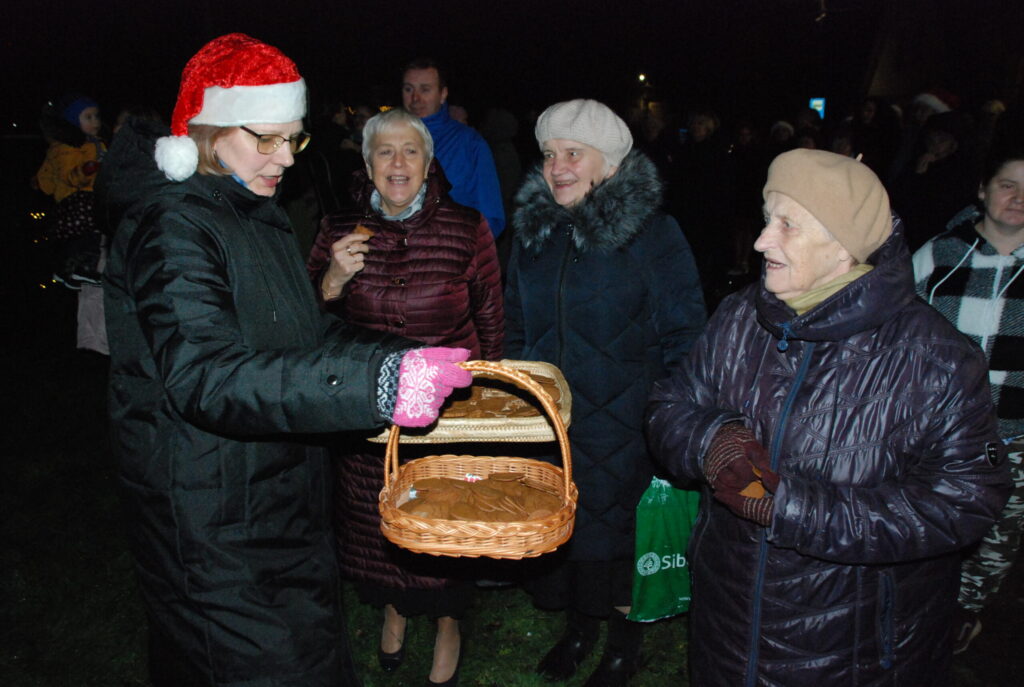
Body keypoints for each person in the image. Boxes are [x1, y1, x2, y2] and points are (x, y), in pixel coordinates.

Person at [97, 33, 471, 687]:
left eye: (292, 140)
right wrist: (376, 385)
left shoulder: (253, 210)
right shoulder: (172, 226)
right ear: (207, 130)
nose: (283, 159)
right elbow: (206, 375)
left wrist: (400, 356)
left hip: (276, 499)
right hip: (211, 520)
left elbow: (299, 344)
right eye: (264, 138)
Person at [645, 148, 1012, 685]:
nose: (761, 240)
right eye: (768, 218)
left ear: (844, 248)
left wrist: (795, 509)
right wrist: (711, 439)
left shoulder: (936, 358)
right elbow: (669, 405)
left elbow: (967, 501)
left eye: (787, 225)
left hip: (854, 645)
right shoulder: (738, 316)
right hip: (727, 617)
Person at [504, 99, 706, 686]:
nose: (557, 166)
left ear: (610, 164)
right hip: (552, 424)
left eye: (574, 153)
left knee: (616, 546)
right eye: (548, 154)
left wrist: (668, 417)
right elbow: (516, 321)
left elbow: (686, 330)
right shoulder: (534, 234)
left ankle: (623, 647)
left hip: (625, 425)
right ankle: (577, 630)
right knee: (564, 535)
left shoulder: (653, 234)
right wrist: (523, 394)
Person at [307, 107, 504, 686]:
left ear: (428, 163)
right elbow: (301, 327)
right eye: (385, 152)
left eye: (410, 151)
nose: (398, 163)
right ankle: (392, 608)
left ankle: (447, 621)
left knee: (440, 521)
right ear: (367, 164)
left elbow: (491, 321)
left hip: (446, 416)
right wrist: (331, 283)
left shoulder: (467, 227)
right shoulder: (336, 228)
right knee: (377, 521)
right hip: (366, 412)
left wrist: (485, 401)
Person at [913, 142, 1024, 655]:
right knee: (926, 523)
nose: (1018, 198)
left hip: (1016, 433)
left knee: (999, 533)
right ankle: (912, 609)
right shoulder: (937, 254)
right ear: (983, 191)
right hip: (937, 432)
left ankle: (964, 613)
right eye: (1008, 184)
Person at [402, 58, 505, 238]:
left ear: (443, 94)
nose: (415, 98)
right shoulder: (388, 140)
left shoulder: (470, 143)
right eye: (408, 89)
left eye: (425, 89)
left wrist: (458, 254)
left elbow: (492, 218)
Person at [35, 93, 107, 289]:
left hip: (90, 196)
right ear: (74, 121)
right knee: (83, 233)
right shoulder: (67, 148)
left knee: (91, 234)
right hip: (76, 198)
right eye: (88, 117)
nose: (95, 122)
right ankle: (69, 269)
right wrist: (85, 171)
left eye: (96, 116)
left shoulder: (95, 143)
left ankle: (77, 270)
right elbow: (68, 175)